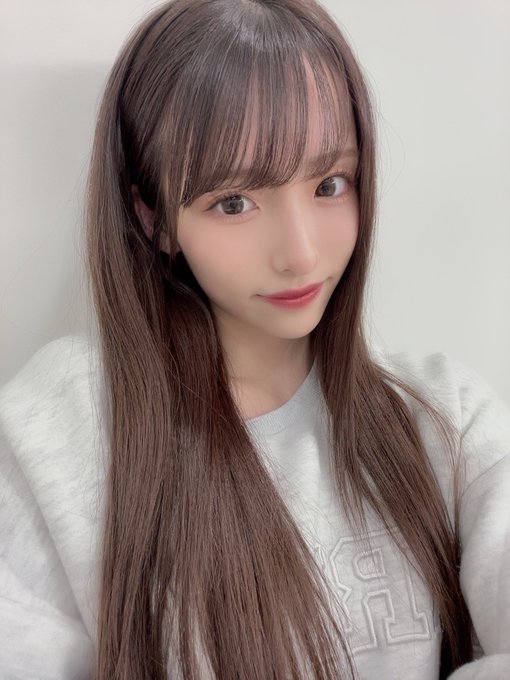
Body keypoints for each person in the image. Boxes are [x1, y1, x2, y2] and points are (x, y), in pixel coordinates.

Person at [0, 0, 509, 678]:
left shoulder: (446, 418)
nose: (301, 254)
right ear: (153, 215)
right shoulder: (66, 430)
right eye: (234, 202)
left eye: (330, 184)